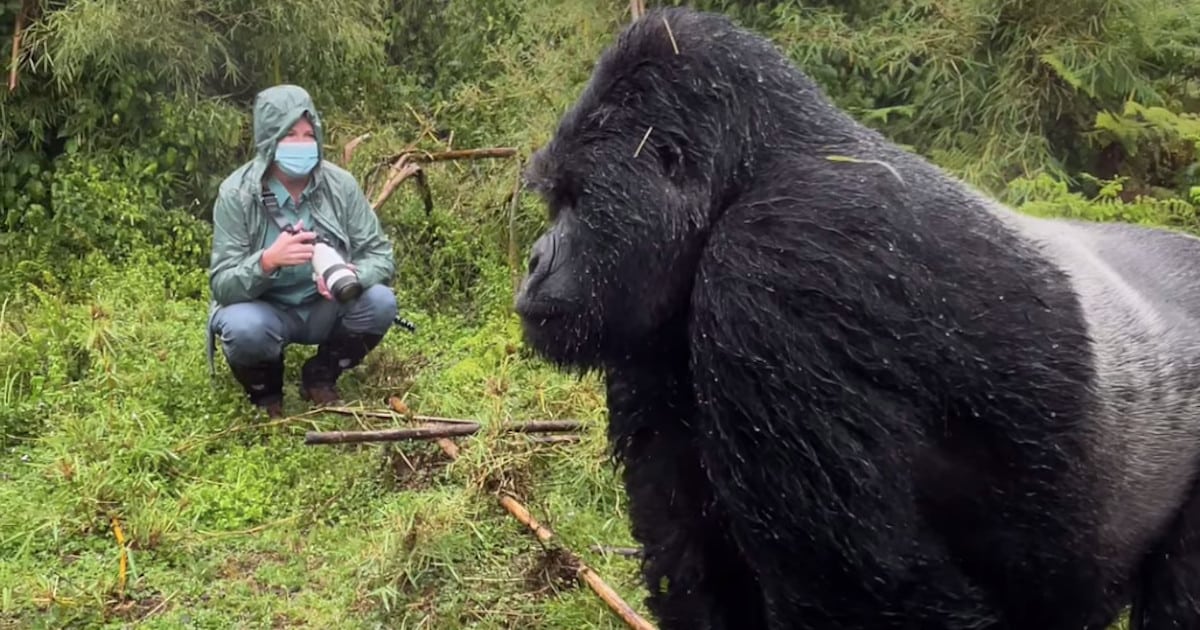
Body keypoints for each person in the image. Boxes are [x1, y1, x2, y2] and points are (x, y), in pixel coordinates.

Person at [205, 84, 412, 418]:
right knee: (242, 328)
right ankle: (266, 392)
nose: (301, 144)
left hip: (324, 307)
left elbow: (380, 254)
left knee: (380, 302)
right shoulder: (236, 193)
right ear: (269, 140)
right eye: (289, 135)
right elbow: (222, 284)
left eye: (307, 134)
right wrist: (268, 261)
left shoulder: (339, 184)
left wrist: (351, 274)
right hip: (266, 310)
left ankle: (321, 375)